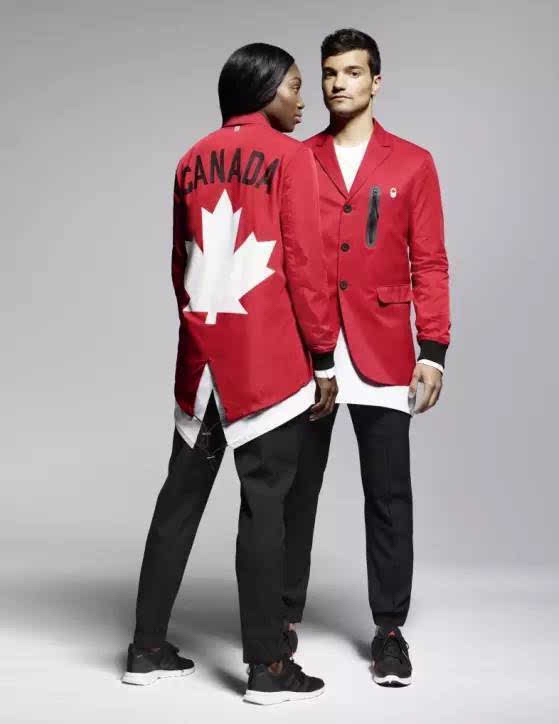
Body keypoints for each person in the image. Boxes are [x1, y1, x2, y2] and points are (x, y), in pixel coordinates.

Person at [122, 43, 339, 706]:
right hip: (267, 364)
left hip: (202, 360)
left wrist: (201, 335)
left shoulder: (190, 159)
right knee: (265, 506)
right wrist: (323, 357)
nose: (303, 100)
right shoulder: (291, 158)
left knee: (178, 502)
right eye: (295, 86)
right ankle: (268, 666)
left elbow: (179, 264)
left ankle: (146, 649)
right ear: (265, 89)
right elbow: (305, 266)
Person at [280, 28, 452, 687]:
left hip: (383, 348)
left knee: (387, 495)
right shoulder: (297, 160)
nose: (338, 83)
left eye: (352, 72)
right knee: (297, 492)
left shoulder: (413, 163)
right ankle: (281, 618)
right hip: (311, 352)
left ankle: (389, 630)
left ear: (376, 82)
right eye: (330, 73)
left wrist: (433, 349)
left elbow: (430, 261)